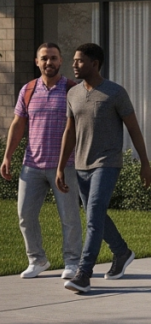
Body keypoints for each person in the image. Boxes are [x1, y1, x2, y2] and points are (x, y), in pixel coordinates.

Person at [56, 43, 151, 294]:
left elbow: (134, 129)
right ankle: (122, 252)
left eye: (79, 61)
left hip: (107, 163)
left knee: (95, 212)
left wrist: (145, 163)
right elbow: (69, 132)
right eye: (74, 60)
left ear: (94, 64)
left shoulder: (115, 93)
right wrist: (60, 167)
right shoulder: (73, 94)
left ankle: (84, 273)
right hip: (81, 164)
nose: (74, 65)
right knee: (94, 215)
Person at [2, 43, 82, 280]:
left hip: (64, 166)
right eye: (44, 58)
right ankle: (37, 260)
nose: (49, 62)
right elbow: (17, 125)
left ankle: (72, 261)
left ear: (61, 61)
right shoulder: (27, 90)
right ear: (37, 62)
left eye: (54, 58)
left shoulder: (72, 89)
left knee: (69, 217)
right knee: (25, 215)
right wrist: (7, 156)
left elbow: (82, 127)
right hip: (31, 165)